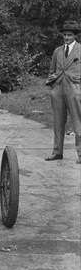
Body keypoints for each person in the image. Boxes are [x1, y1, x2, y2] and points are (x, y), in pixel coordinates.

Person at [45, 20, 81, 164]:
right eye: (64, 35)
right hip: (58, 89)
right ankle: (57, 152)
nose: (66, 38)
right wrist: (53, 84)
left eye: (69, 35)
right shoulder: (57, 51)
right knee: (58, 122)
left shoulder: (80, 49)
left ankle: (80, 154)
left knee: (78, 121)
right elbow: (52, 69)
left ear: (75, 36)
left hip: (75, 89)